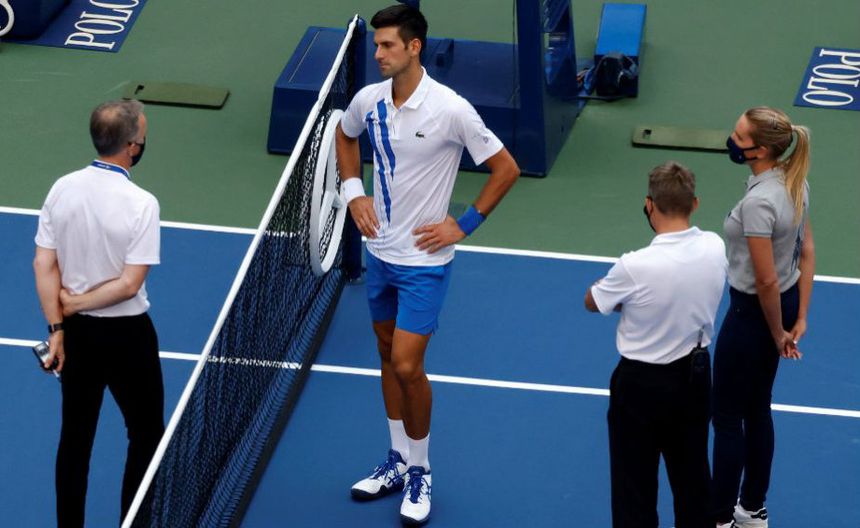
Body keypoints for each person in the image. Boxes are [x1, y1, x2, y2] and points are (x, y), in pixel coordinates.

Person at [335, 4, 519, 525]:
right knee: (385, 353)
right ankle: (396, 459)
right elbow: (344, 135)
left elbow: (506, 168)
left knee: (406, 365)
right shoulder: (368, 101)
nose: (378, 54)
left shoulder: (451, 110)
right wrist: (353, 192)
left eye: (387, 45)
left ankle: (421, 469)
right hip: (380, 255)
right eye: (376, 45)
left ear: (414, 47)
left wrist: (465, 224)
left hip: (424, 263)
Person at [33, 99, 164, 528]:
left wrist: (58, 327)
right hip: (129, 338)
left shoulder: (61, 188)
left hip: (78, 337)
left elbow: (43, 264)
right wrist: (75, 304)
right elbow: (129, 284)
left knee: (75, 439)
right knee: (146, 435)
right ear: (132, 147)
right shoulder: (142, 203)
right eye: (142, 137)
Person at [585, 161, 727, 528]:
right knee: (693, 479)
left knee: (634, 488)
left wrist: (629, 299)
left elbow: (593, 301)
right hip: (696, 378)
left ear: (649, 205)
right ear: (694, 203)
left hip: (639, 386)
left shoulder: (634, 266)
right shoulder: (715, 247)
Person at [712, 107, 814, 528]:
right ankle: (753, 509)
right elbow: (806, 252)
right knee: (757, 408)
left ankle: (719, 518)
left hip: (753, 314)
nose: (732, 140)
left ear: (761, 150)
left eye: (739, 136)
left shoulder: (759, 203)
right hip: (784, 305)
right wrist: (799, 317)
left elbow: (765, 279)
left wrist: (776, 334)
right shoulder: (795, 181)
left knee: (726, 417)